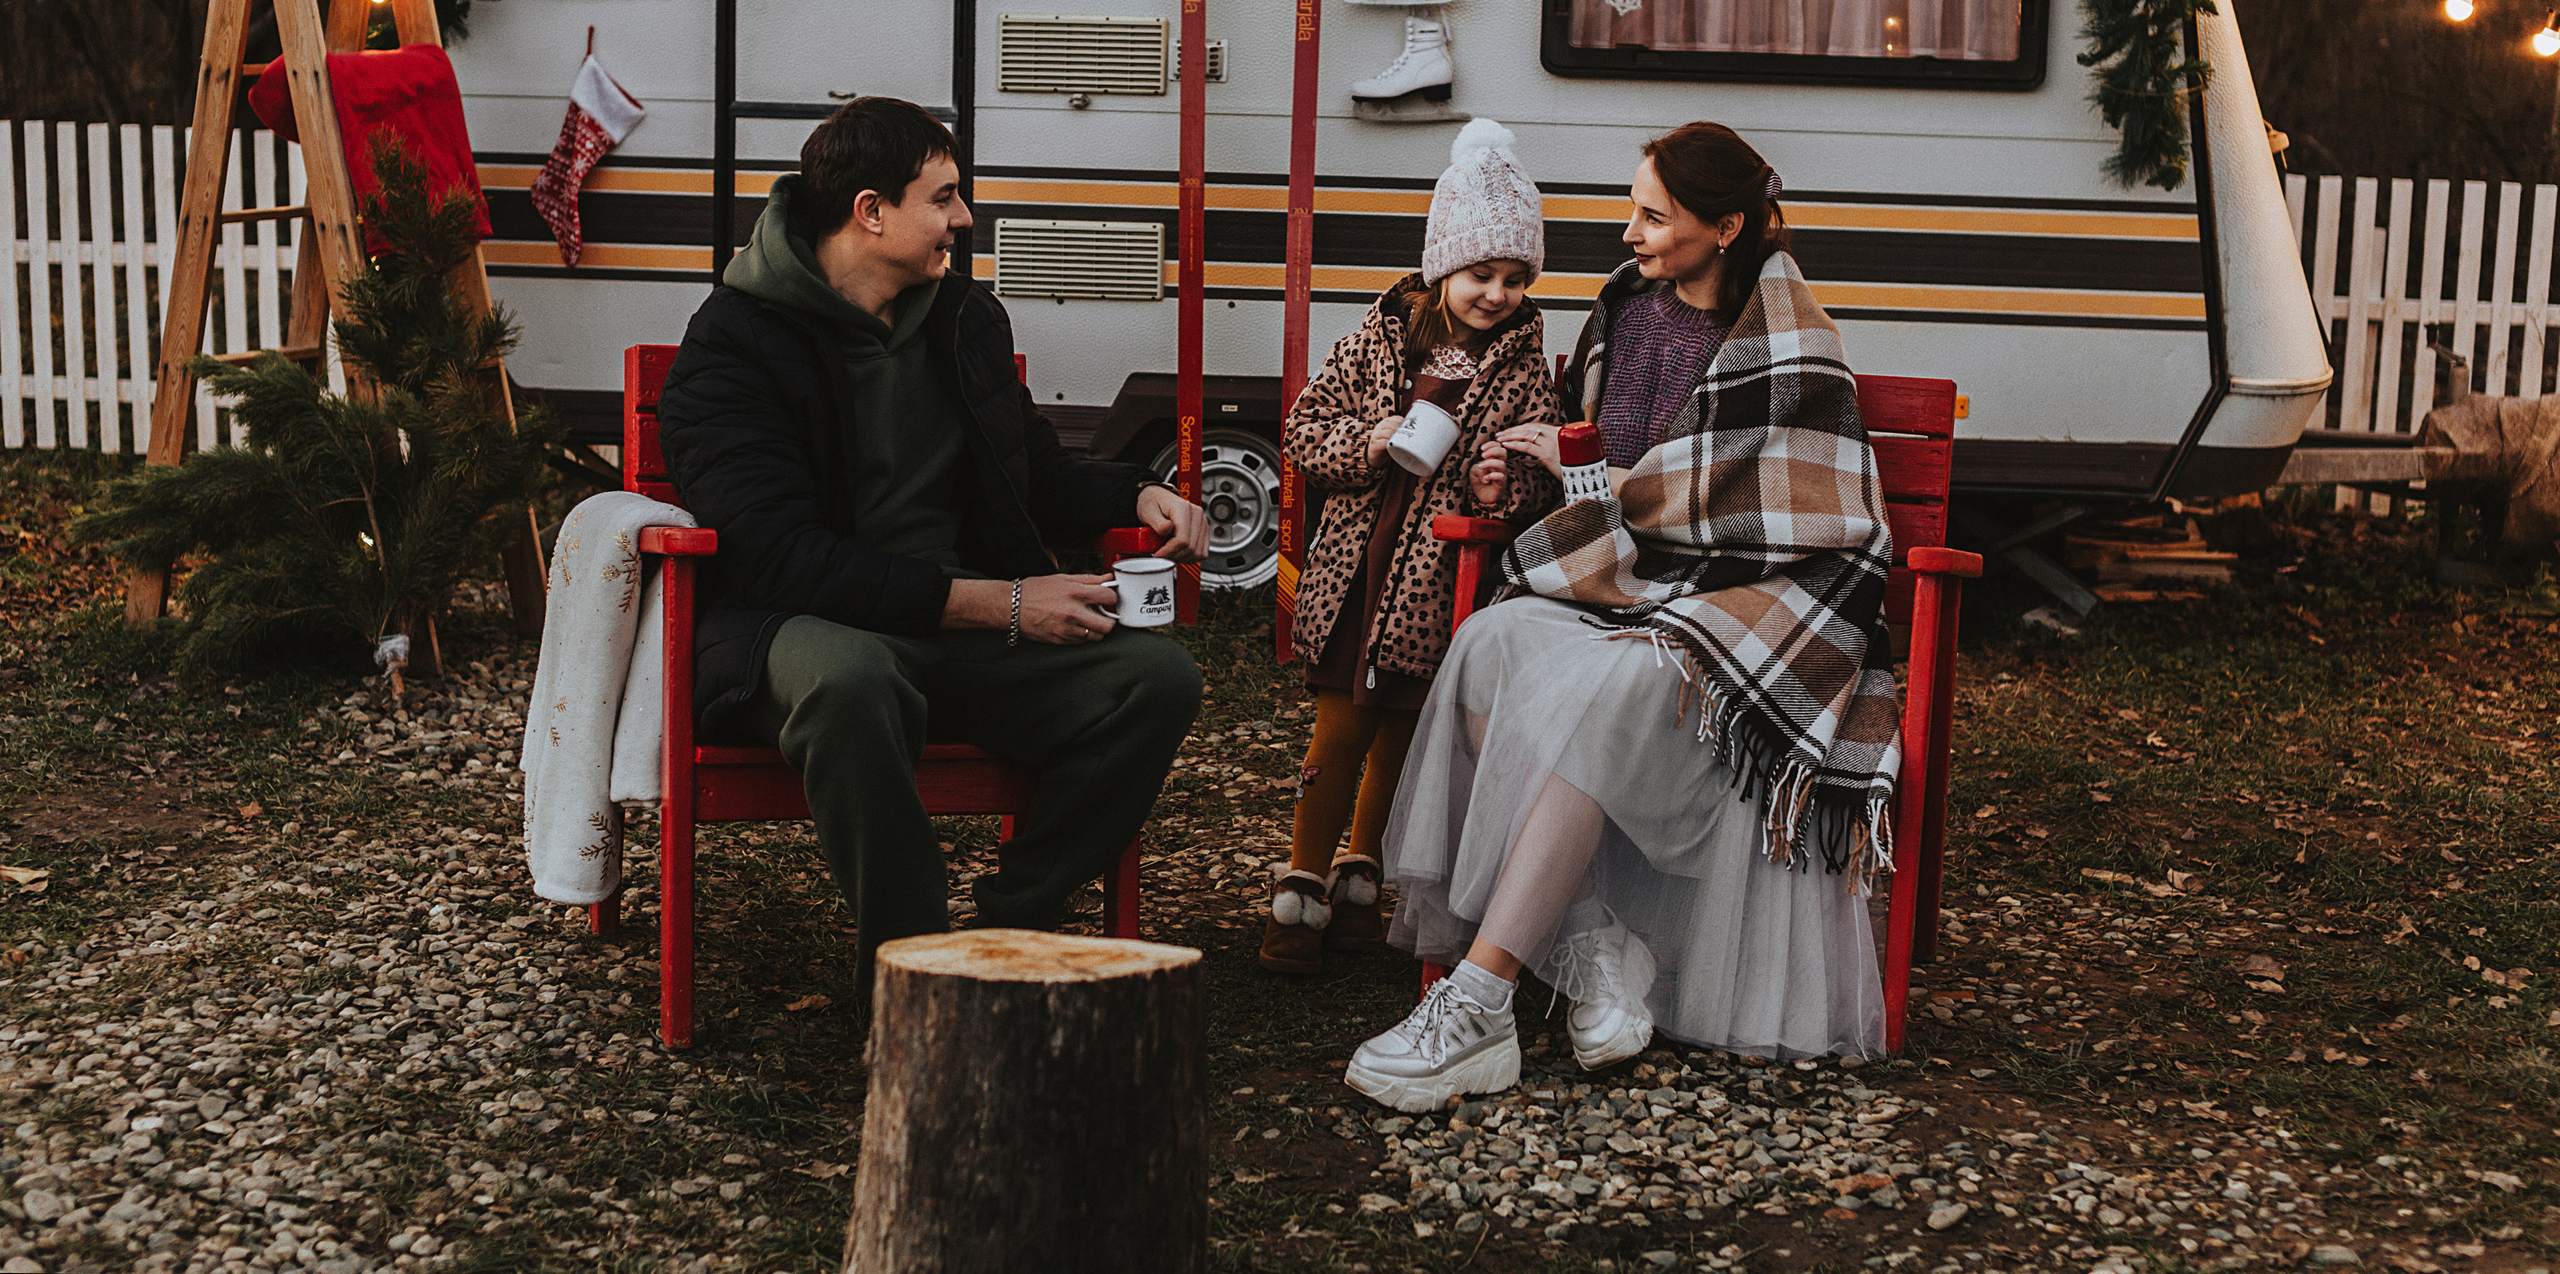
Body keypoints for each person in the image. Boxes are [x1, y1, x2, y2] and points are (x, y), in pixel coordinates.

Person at [1344, 122, 1900, 1112]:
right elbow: (1601, 472)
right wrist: (1527, 469)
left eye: (1653, 215)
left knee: (1609, 680)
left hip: (1752, 601)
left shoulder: (1791, 340)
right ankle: (1600, 943)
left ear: (1725, 227)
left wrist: (1614, 480)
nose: (1627, 233)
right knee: (1487, 642)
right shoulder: (1624, 318)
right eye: (1630, 207)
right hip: (1636, 579)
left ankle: (1480, 1000)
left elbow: (1792, 509)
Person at [656, 97, 1211, 978]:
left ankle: (1001, 934)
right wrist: (1005, 604)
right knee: (853, 679)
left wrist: (1142, 491)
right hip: (801, 629)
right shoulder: (734, 342)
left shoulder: (963, 319)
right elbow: (774, 553)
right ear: (870, 211)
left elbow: (1031, 470)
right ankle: (913, 970)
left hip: (963, 631)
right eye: (944, 197)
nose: (965, 217)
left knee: (1155, 678)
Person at [1262, 120, 1565, 975]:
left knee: (1402, 735)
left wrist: (1504, 484)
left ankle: (1364, 880)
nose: (1496, 293)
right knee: (1338, 734)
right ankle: (1301, 885)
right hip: (1353, 580)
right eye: (1480, 273)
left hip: (1437, 589)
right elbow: (1304, 430)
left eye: (1514, 277)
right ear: (1442, 266)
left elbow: (1534, 473)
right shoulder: (1376, 343)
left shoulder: (1522, 371)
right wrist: (1372, 438)